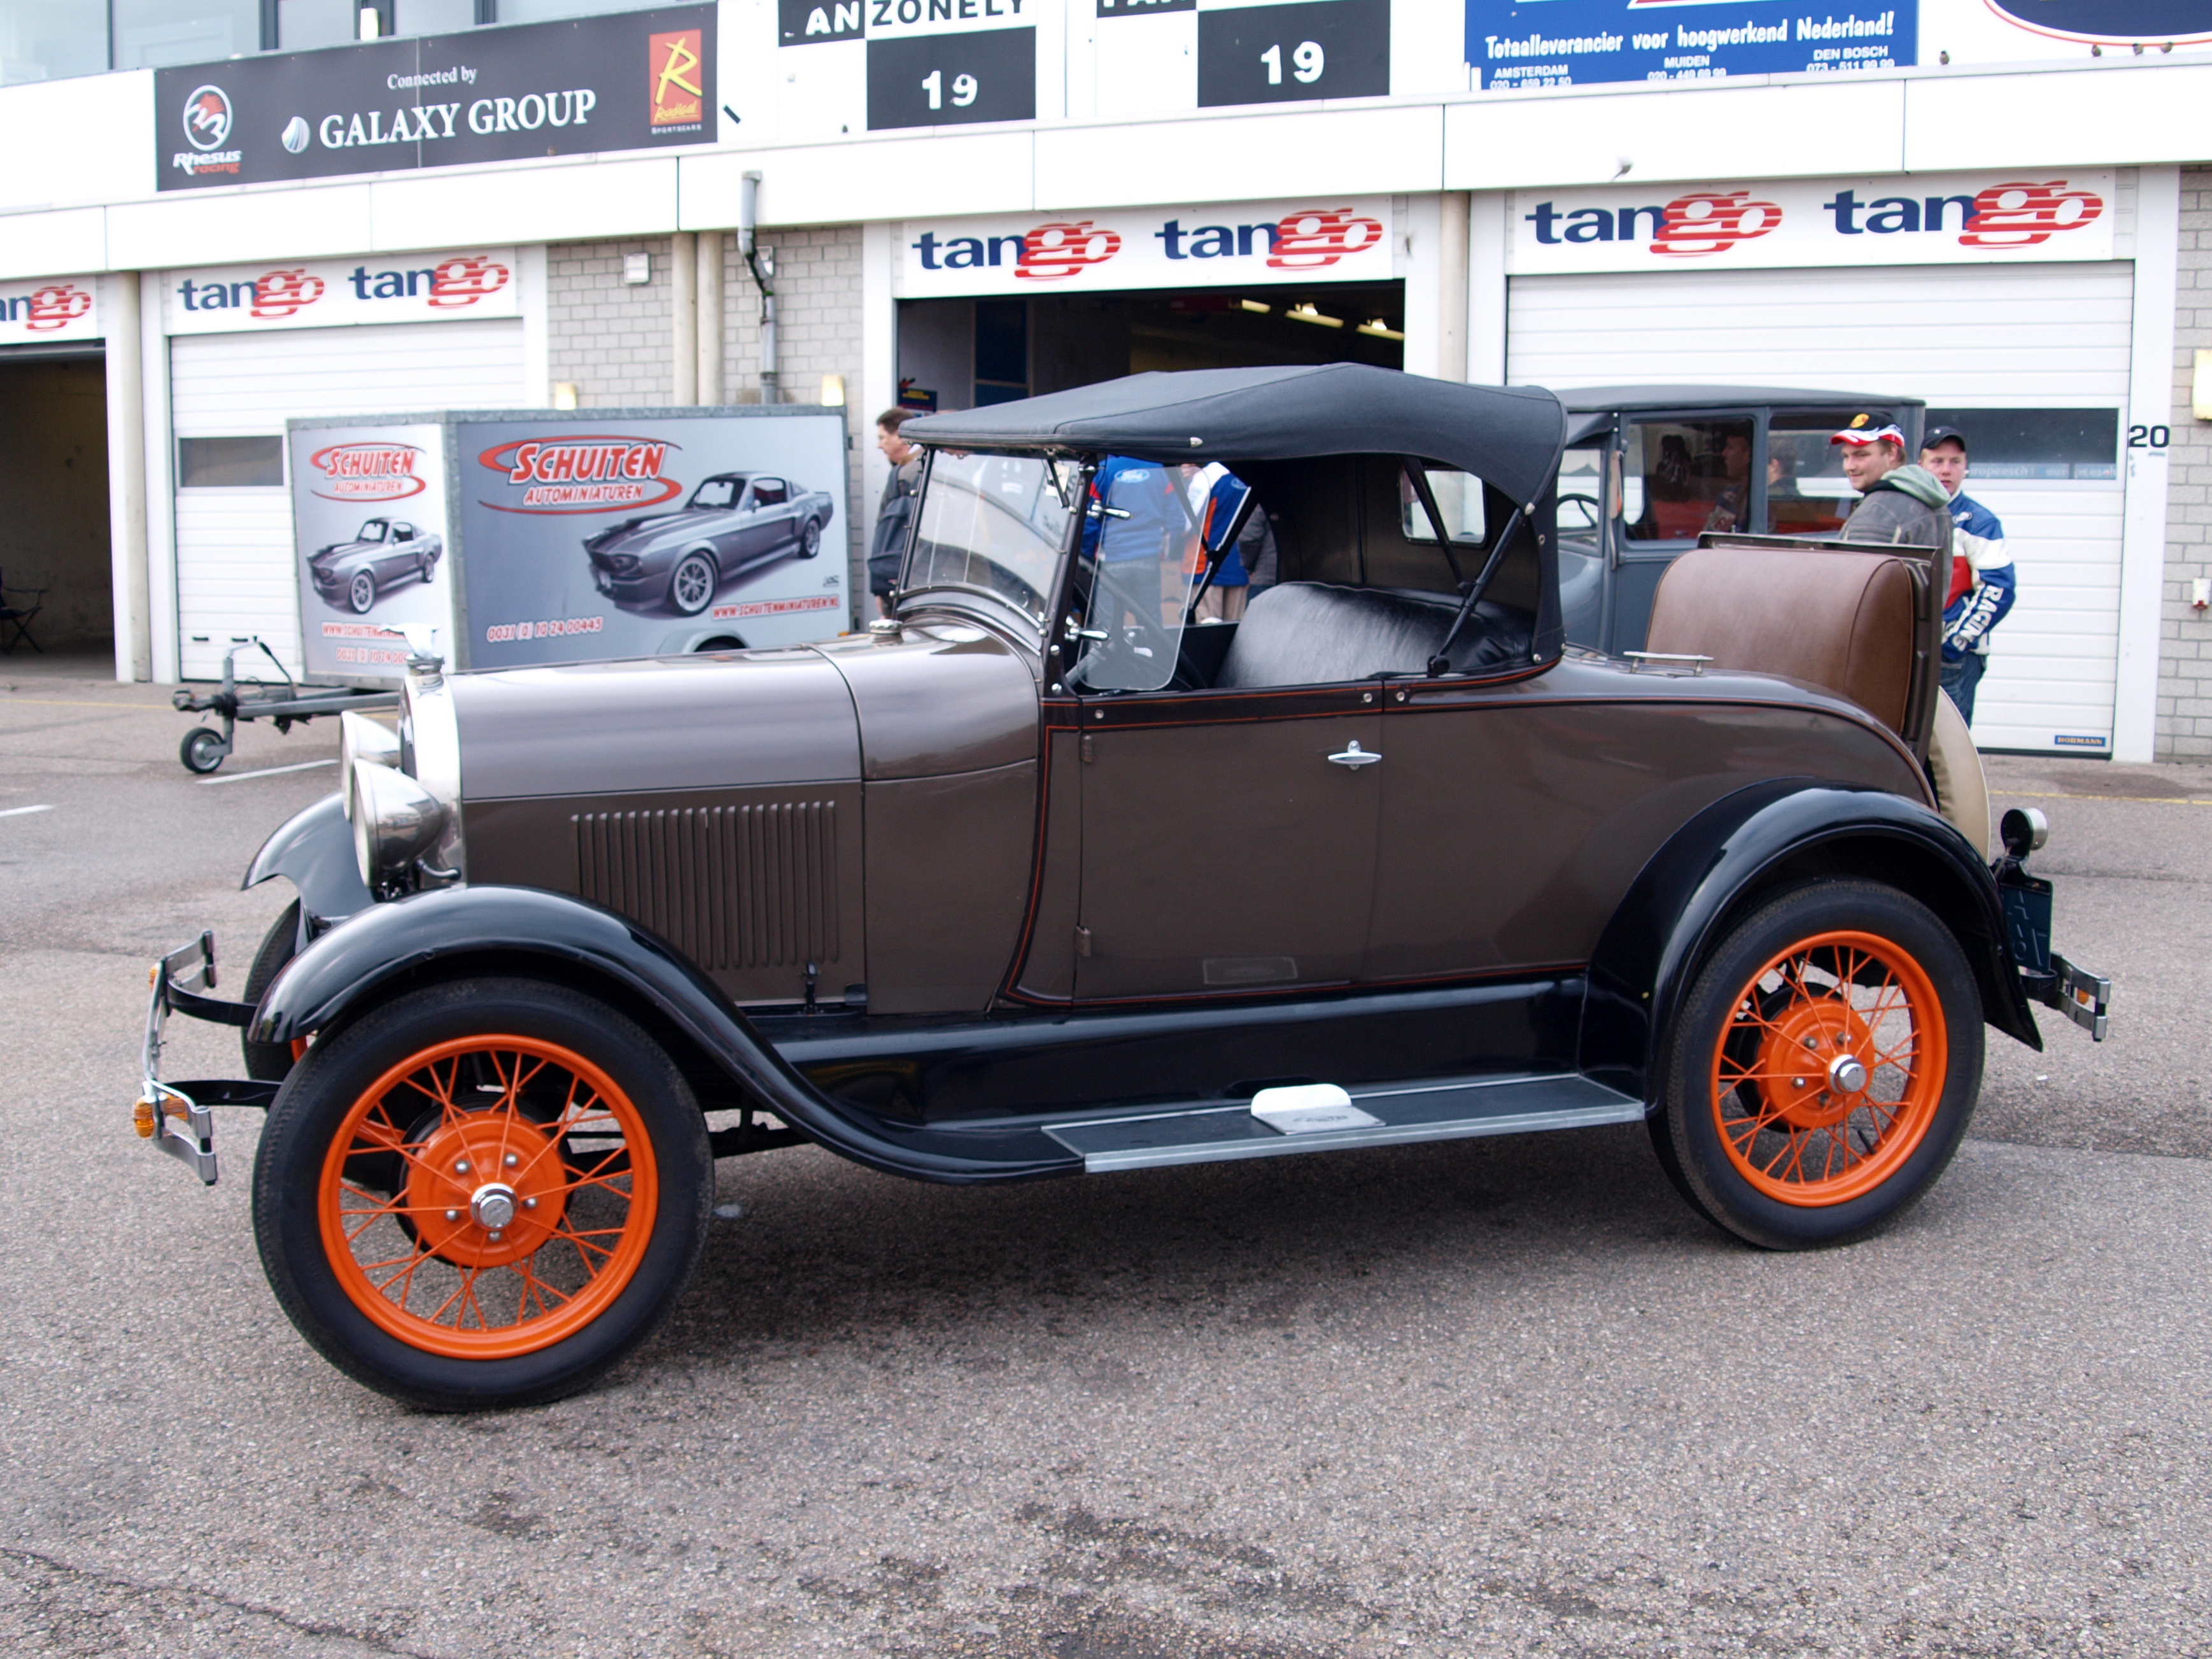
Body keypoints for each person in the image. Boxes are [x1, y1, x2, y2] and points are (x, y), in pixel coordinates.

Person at [1919, 424, 2017, 725]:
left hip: (1954, 660)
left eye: (1955, 462)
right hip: (1910, 654)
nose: (1946, 470)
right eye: (1937, 461)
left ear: (1966, 468)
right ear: (1920, 465)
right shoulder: (1906, 512)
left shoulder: (1980, 521)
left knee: (1947, 757)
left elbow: (1999, 589)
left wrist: (1953, 646)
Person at [1833, 414, 1951, 550]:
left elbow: (1859, 570)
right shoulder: (1929, 494)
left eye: (1861, 455)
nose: (1850, 467)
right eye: (1845, 457)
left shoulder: (1878, 510)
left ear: (1892, 453)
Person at [866, 409, 924, 618]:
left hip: (905, 583)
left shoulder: (905, 474)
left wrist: (881, 587)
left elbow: (883, 531)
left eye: (882, 438)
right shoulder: (927, 466)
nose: (878, 445)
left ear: (900, 437)